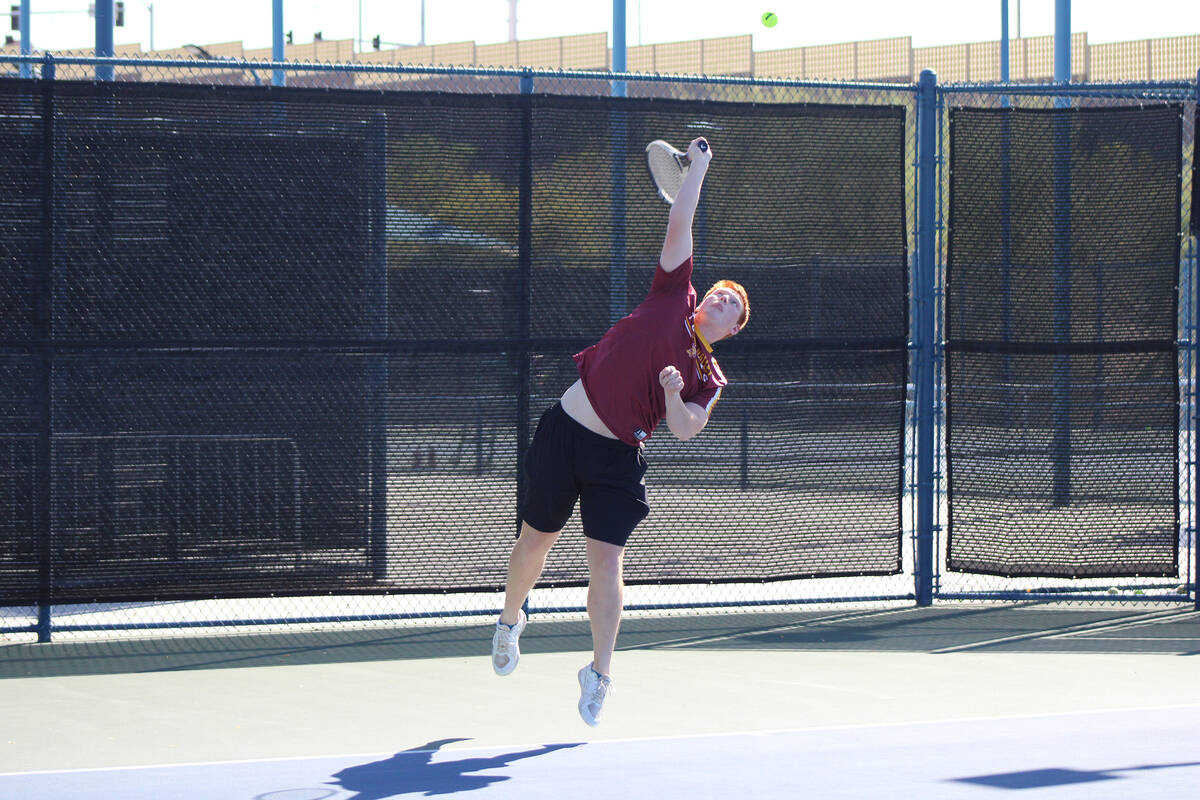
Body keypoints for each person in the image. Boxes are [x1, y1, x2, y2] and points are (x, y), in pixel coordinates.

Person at [491, 137, 749, 726]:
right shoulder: (673, 291)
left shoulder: (708, 375)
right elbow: (681, 219)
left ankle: (599, 674)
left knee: (606, 563)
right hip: (565, 430)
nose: (719, 299)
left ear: (734, 327)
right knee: (536, 540)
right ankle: (510, 619)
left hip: (616, 459)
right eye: (718, 293)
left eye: (730, 304)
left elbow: (686, 429)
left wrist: (671, 393)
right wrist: (700, 167)